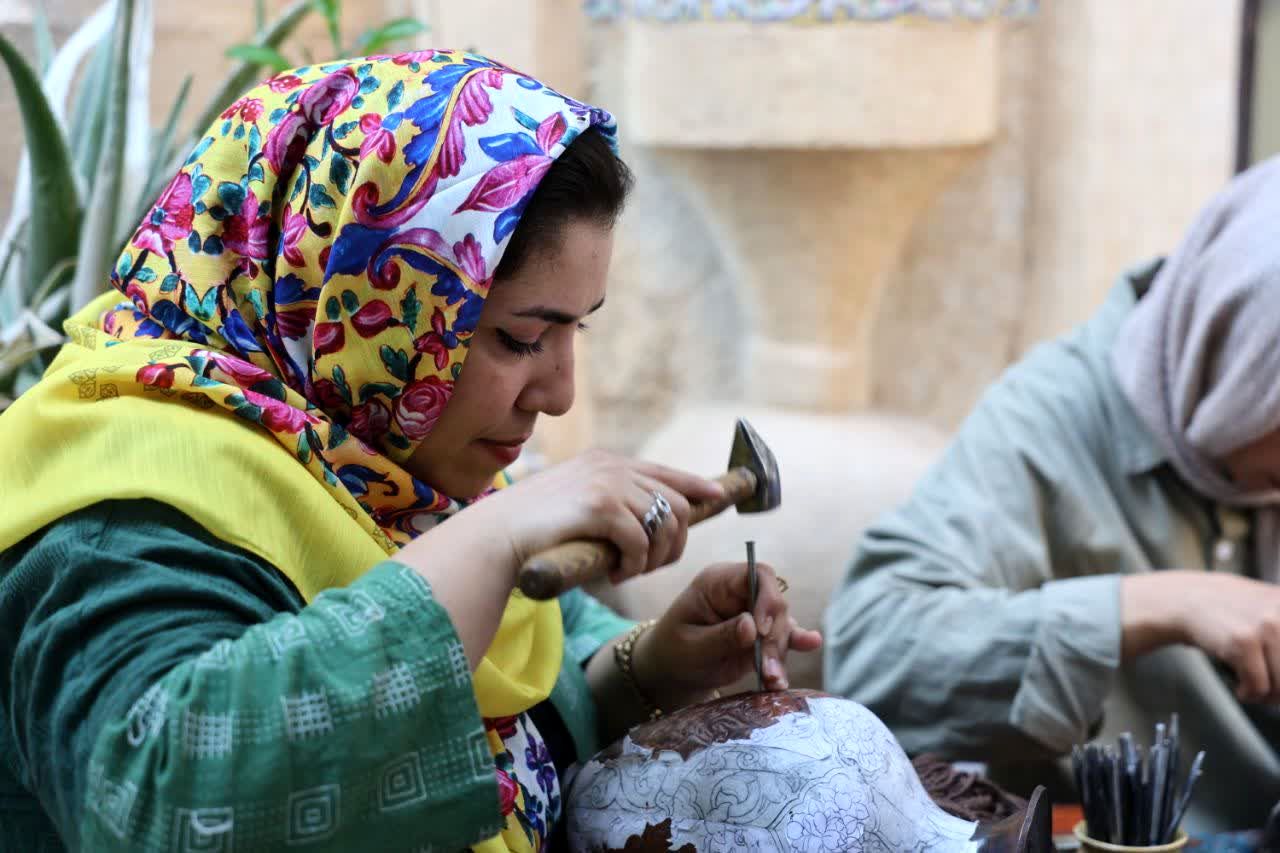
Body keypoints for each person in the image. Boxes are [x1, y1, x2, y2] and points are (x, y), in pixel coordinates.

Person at [0, 50, 822, 852]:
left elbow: (528, 679)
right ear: (371, 305)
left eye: (579, 328)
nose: (559, 391)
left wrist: (651, 665)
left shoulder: (384, 466)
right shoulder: (116, 517)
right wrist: (496, 538)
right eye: (520, 336)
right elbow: (154, 803)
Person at [823, 156, 1280, 834]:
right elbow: (870, 650)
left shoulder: (1252, 439)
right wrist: (1158, 603)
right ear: (1239, 371)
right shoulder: (1047, 421)